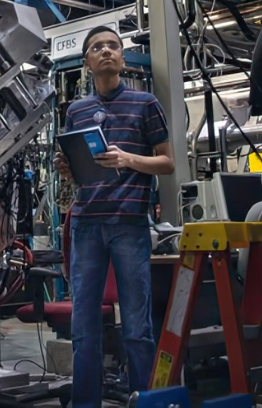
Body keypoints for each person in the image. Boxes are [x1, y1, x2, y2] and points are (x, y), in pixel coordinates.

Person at [60, 26, 175, 408]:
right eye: (97, 47)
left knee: (138, 329)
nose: (106, 51)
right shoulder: (75, 111)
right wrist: (67, 166)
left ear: (122, 58)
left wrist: (127, 159)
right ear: (87, 63)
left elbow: (167, 162)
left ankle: (146, 402)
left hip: (129, 225)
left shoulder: (145, 104)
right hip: (87, 224)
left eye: (113, 46)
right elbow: (77, 167)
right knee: (83, 331)